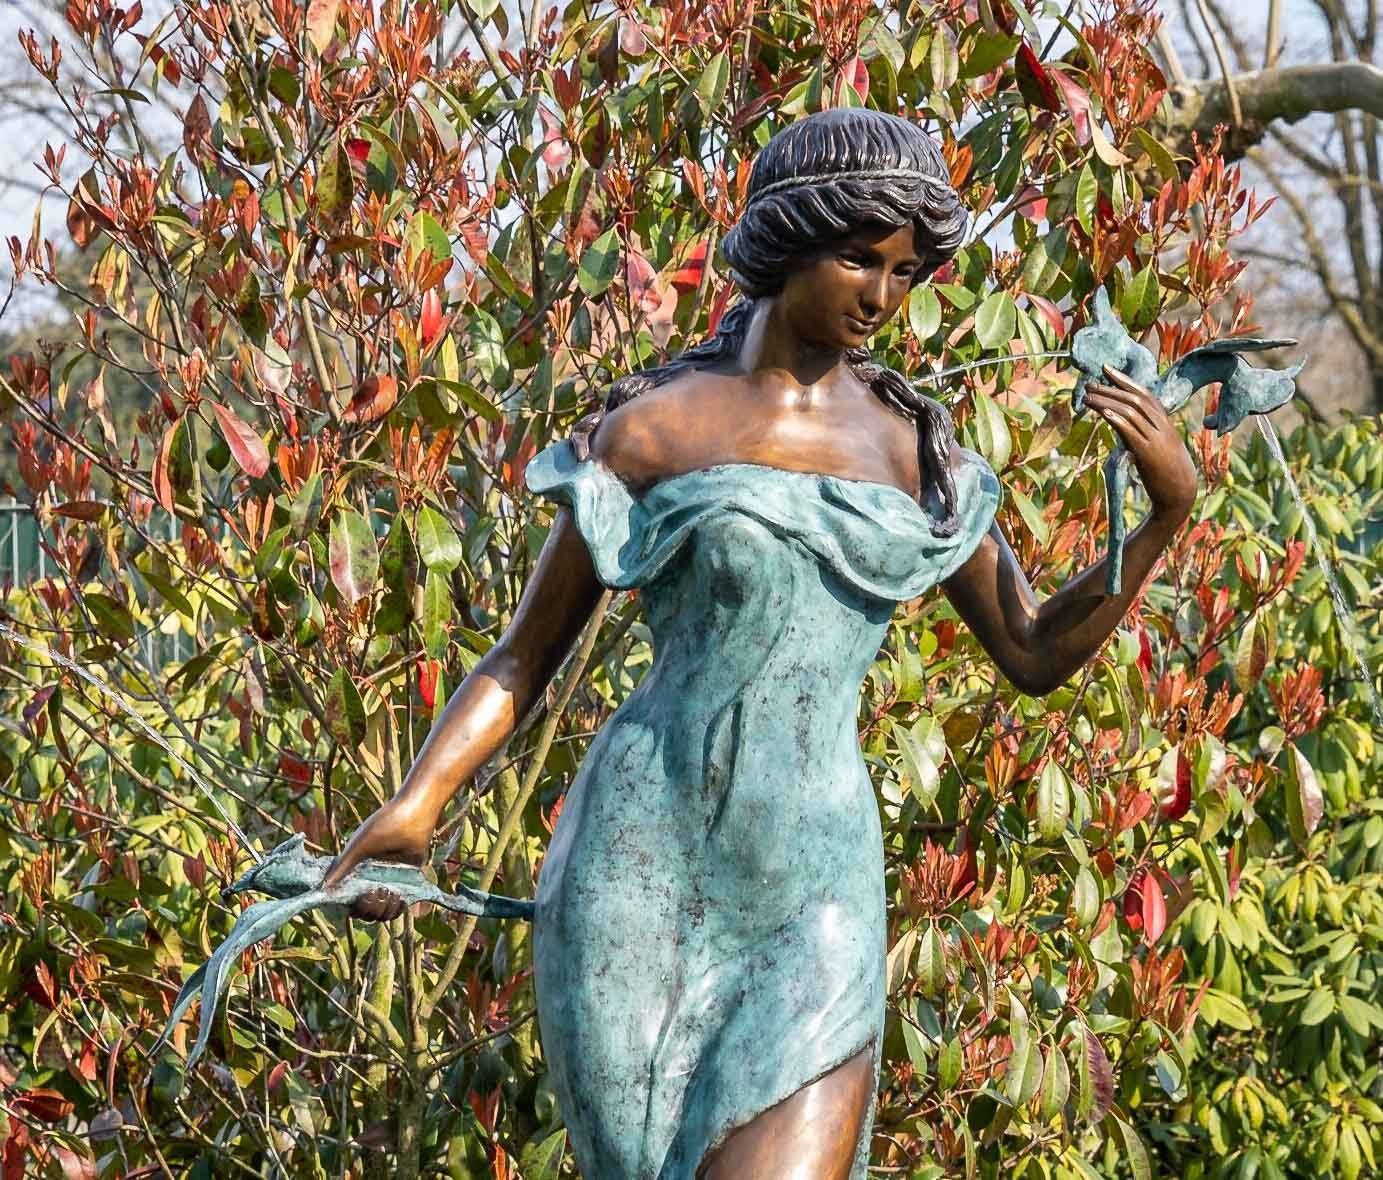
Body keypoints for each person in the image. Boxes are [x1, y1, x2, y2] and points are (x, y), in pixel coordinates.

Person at [322, 107, 1197, 1179]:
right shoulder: (658, 428)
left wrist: (1161, 519)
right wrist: (417, 804)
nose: (883, 296)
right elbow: (524, 657)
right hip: (639, 866)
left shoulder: (915, 453)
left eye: (908, 270)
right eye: (860, 259)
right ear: (789, 242)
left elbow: (1029, 650)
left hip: (816, 888)